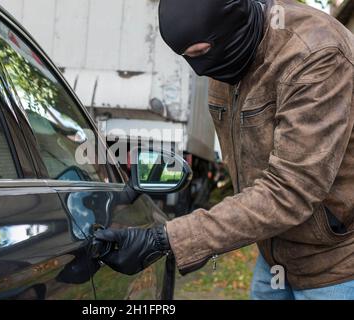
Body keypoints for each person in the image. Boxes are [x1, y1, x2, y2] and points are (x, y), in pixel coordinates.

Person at [95, 0, 354, 300]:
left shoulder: (315, 54)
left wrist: (169, 239)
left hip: (336, 266)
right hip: (274, 259)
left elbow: (290, 191)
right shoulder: (230, 54)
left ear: (232, 24)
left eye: (200, 53)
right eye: (186, 57)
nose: (201, 70)